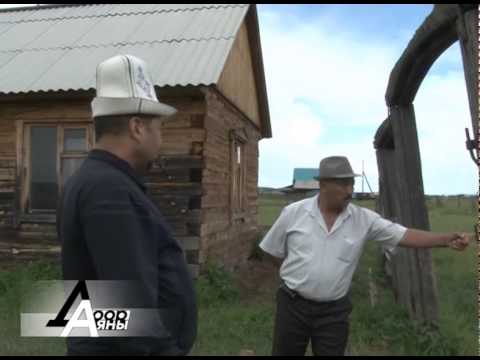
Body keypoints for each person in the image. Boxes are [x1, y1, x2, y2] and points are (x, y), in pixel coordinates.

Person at [259, 156, 469, 356]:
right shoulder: (294, 213)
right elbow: (271, 251)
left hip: (333, 313)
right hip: (293, 307)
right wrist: (297, 275)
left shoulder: (363, 219)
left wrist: (446, 239)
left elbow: (403, 235)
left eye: (351, 183)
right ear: (323, 185)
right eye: (342, 184)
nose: (349, 190)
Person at [58, 54, 197, 356]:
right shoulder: (109, 189)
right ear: (137, 127)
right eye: (158, 126)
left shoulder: (95, 180)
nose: (161, 136)